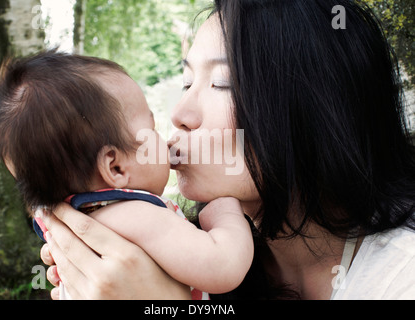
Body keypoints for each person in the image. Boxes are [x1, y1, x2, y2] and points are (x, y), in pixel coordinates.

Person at [40, 0, 415, 300]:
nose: (180, 115)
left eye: (222, 83)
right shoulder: (184, 252)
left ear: (315, 106)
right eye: (186, 82)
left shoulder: (401, 277)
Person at [0, 51, 254, 299]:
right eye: (151, 129)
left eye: (220, 83)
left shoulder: (81, 222)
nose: (168, 131)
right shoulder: (136, 216)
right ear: (115, 167)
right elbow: (223, 265)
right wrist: (226, 213)